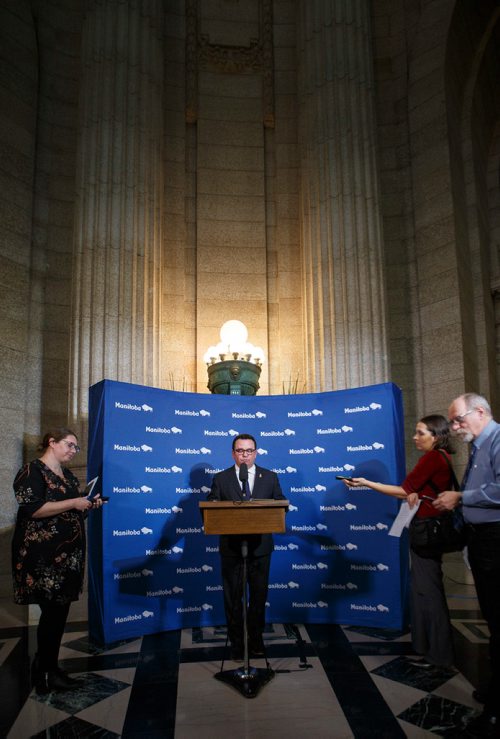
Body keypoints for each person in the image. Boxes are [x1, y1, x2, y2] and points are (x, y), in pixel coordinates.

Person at [344, 415, 457, 668]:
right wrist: (418, 491)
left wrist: (367, 483)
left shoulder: (432, 458)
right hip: (429, 532)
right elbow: (422, 490)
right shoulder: (443, 457)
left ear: (436, 436)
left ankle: (439, 655)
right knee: (424, 589)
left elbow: (404, 490)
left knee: (429, 592)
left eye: (420, 433)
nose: (415, 437)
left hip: (427, 534)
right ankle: (428, 648)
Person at [11, 428, 103, 694]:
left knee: (58, 614)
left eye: (76, 447)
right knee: (52, 614)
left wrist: (86, 505)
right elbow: (34, 508)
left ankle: (45, 666)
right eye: (70, 445)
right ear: (51, 443)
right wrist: (74, 502)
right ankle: (47, 671)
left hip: (67, 557)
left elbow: (70, 514)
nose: (74, 451)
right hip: (42, 558)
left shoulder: (68, 475)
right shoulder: (31, 472)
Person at [434, 393, 500, 737]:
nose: (455, 428)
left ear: (479, 411)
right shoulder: (479, 443)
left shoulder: (498, 439)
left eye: (458, 420)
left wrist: (462, 497)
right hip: (481, 539)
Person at [208, 433, 285, 660]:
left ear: (256, 452)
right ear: (233, 453)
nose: (245, 455)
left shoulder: (270, 477)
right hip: (232, 549)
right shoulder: (221, 479)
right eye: (240, 451)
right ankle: (237, 642)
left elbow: (281, 503)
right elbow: (211, 505)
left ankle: (256, 638)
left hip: (260, 549)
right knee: (233, 598)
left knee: (259, 596)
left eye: (249, 451)